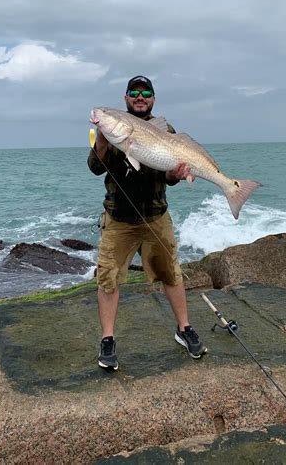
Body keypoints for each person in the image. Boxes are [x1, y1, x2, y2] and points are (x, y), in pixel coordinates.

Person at [88, 75, 207, 370]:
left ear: (153, 98)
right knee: (108, 278)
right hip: (118, 218)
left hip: (156, 215)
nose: (140, 97)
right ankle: (107, 339)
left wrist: (176, 174)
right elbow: (94, 168)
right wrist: (103, 135)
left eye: (145, 93)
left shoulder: (165, 130)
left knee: (171, 274)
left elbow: (169, 174)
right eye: (134, 93)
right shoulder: (113, 129)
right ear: (126, 98)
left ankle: (184, 328)